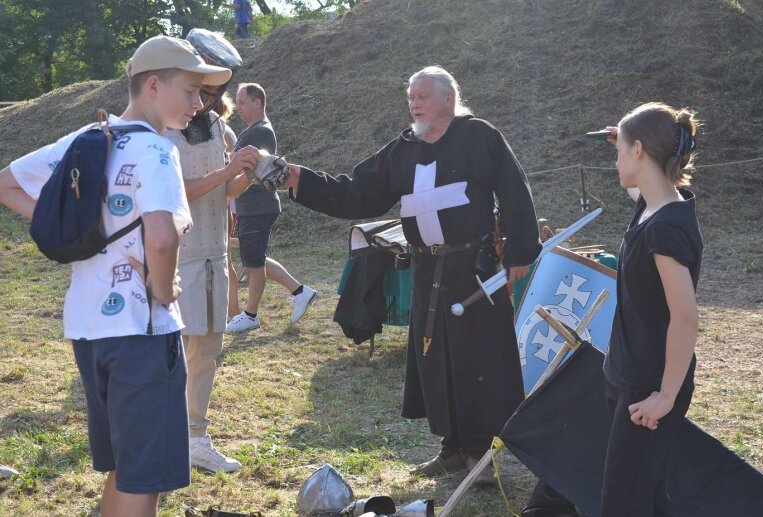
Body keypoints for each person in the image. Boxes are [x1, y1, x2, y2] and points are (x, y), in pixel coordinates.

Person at [0, 35, 232, 516]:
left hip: (89, 327)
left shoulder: (89, 137)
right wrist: (163, 289)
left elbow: (7, 183)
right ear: (153, 85)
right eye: (190, 90)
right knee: (142, 480)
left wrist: (80, 235)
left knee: (125, 469)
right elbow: (162, 238)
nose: (198, 104)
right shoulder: (158, 150)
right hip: (142, 331)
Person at [284, 66, 542, 484]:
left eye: (422, 96)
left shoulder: (480, 136)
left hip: (470, 267)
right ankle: (452, 447)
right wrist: (301, 179)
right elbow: (358, 191)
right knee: (434, 355)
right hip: (426, 268)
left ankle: (482, 452)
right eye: (410, 97)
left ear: (448, 99)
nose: (414, 103)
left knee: (477, 357)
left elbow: (514, 189)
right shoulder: (404, 149)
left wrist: (519, 251)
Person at [164, 29, 260, 473]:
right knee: (177, 349)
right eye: (203, 83)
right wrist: (227, 173)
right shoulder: (164, 127)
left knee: (208, 347)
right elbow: (177, 192)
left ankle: (193, 436)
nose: (207, 94)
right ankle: (178, 435)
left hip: (214, 253)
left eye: (215, 85)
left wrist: (249, 172)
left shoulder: (220, 127)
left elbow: (223, 192)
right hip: (178, 253)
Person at [599, 102, 701, 516]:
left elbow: (686, 315)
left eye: (621, 151)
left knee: (622, 506)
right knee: (649, 498)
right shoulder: (651, 207)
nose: (617, 160)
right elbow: (638, 185)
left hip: (648, 391)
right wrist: (620, 138)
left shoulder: (666, 227)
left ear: (639, 150)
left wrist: (666, 396)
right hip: (627, 376)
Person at [226, 82, 317, 333]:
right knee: (254, 257)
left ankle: (250, 314)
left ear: (258, 102)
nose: (237, 108)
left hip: (256, 204)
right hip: (255, 204)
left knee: (253, 261)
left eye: (242, 102)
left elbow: (231, 164)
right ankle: (300, 292)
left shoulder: (257, 132)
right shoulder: (258, 130)